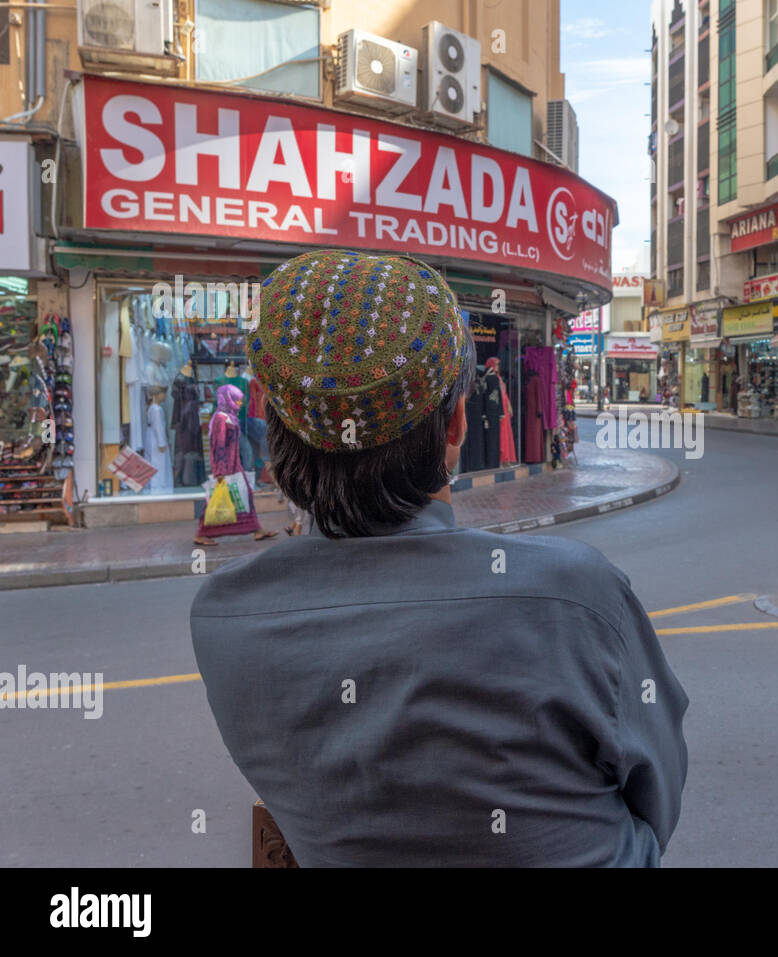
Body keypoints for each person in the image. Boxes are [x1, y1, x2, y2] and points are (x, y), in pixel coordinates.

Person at [190, 250, 688, 867]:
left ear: (263, 409)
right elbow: (657, 802)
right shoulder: (576, 599)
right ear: (456, 425)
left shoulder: (221, 619)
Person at [194, 384, 276, 546]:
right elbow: (218, 445)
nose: (239, 403)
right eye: (237, 400)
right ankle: (201, 533)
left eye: (240, 400)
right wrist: (220, 470)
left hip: (234, 464)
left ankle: (257, 530)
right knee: (216, 500)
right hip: (226, 466)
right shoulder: (220, 419)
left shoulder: (229, 417)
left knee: (245, 495)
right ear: (227, 399)